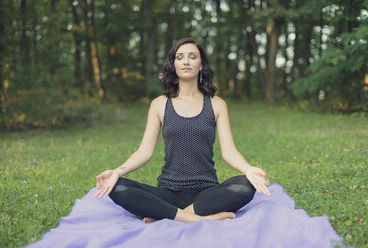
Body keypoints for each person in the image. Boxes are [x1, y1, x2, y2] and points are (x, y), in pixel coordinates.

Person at [94, 37, 270, 223]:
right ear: (174, 64)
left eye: (192, 57)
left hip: (206, 192)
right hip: (167, 192)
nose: (186, 61)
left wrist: (248, 169)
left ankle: (167, 215)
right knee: (116, 187)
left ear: (201, 64)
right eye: (180, 57)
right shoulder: (160, 104)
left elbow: (229, 152)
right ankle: (197, 218)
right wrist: (117, 171)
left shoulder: (217, 105)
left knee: (245, 186)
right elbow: (144, 151)